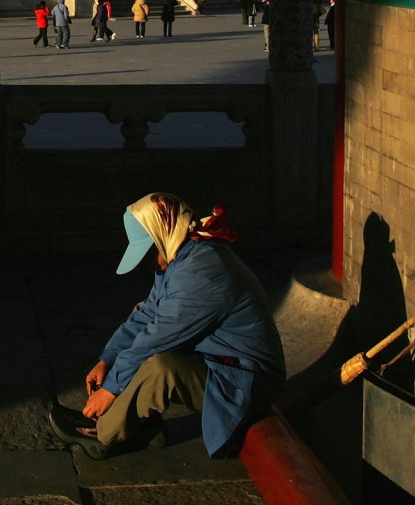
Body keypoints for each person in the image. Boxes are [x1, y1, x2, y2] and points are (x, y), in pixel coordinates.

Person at [48, 193, 284, 461]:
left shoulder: (202, 273)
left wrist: (110, 390)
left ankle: (102, 434)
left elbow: (156, 337)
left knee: (161, 369)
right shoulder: (182, 253)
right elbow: (148, 313)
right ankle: (139, 424)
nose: (153, 257)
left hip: (248, 382)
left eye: (151, 247)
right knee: (138, 357)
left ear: (164, 231)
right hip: (219, 363)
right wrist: (107, 358)